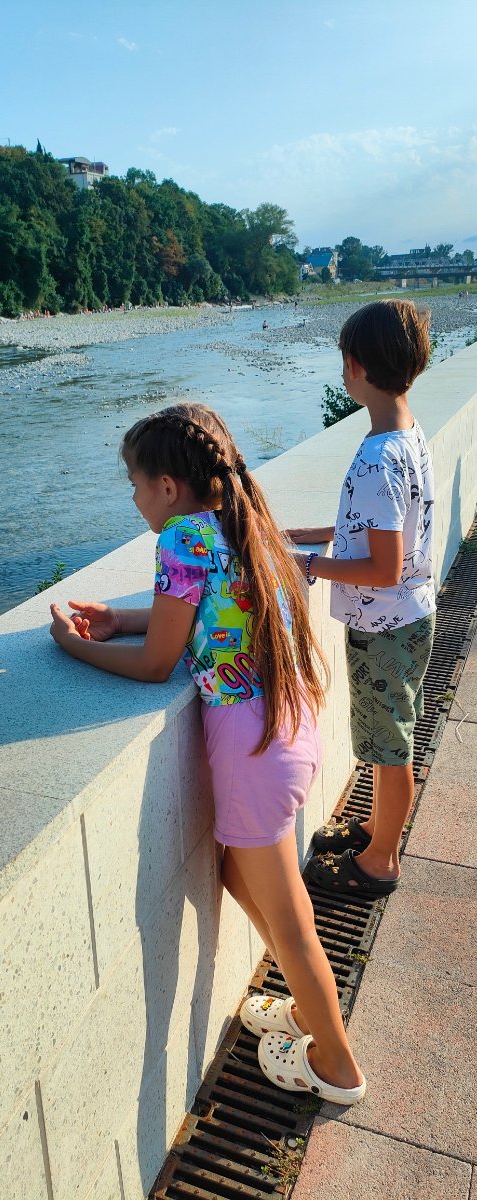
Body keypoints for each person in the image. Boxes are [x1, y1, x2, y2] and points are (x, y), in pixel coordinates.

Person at [48, 402, 366, 1105]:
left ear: (167, 486)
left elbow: (156, 664)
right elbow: (208, 612)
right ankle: (311, 1009)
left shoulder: (181, 537)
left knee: (291, 921)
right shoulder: (242, 520)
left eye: (135, 484)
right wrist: (121, 618)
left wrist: (71, 644)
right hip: (287, 726)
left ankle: (335, 1067)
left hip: (251, 748)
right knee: (235, 874)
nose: (134, 498)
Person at [289, 300, 435, 898]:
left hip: (384, 626)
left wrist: (309, 564)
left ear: (355, 366)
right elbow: (389, 525)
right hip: (410, 615)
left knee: (390, 747)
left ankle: (380, 862)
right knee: (386, 737)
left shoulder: (377, 457)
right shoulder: (407, 433)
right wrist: (324, 532)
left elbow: (382, 566)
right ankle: (378, 828)